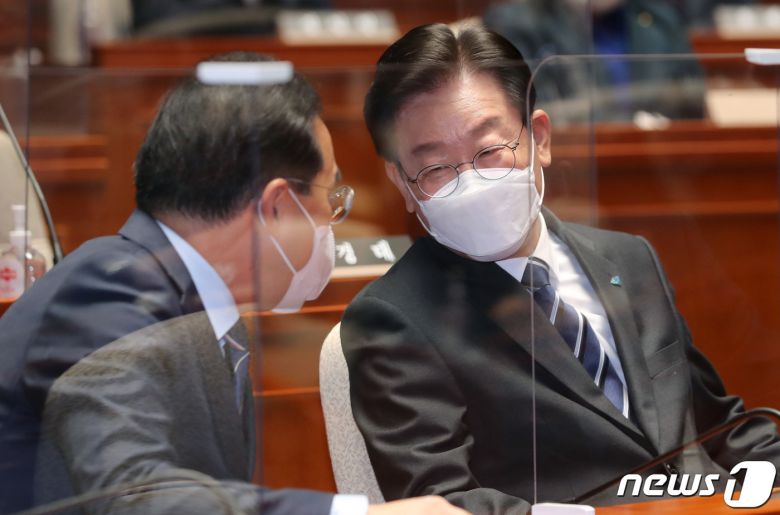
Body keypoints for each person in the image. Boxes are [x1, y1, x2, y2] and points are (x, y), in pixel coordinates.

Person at [339, 23, 780, 515]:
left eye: (490, 151)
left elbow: (720, 428)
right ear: (401, 183)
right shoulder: (392, 319)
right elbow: (445, 503)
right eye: (436, 167)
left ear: (540, 139)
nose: (471, 181)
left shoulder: (630, 258)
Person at [0, 51, 466, 515]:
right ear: (278, 206)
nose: (332, 219)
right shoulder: (104, 294)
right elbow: (136, 498)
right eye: (331, 195)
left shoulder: (205, 311)